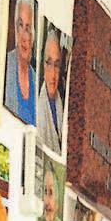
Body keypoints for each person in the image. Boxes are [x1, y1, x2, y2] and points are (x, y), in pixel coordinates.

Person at [3, 0, 38, 124]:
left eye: (28, 29)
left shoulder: (36, 81)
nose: (24, 36)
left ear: (33, 35)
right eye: (20, 25)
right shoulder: (5, 66)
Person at [36, 24, 68, 155]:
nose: (53, 74)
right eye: (48, 63)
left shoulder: (61, 104)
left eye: (56, 65)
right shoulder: (38, 108)